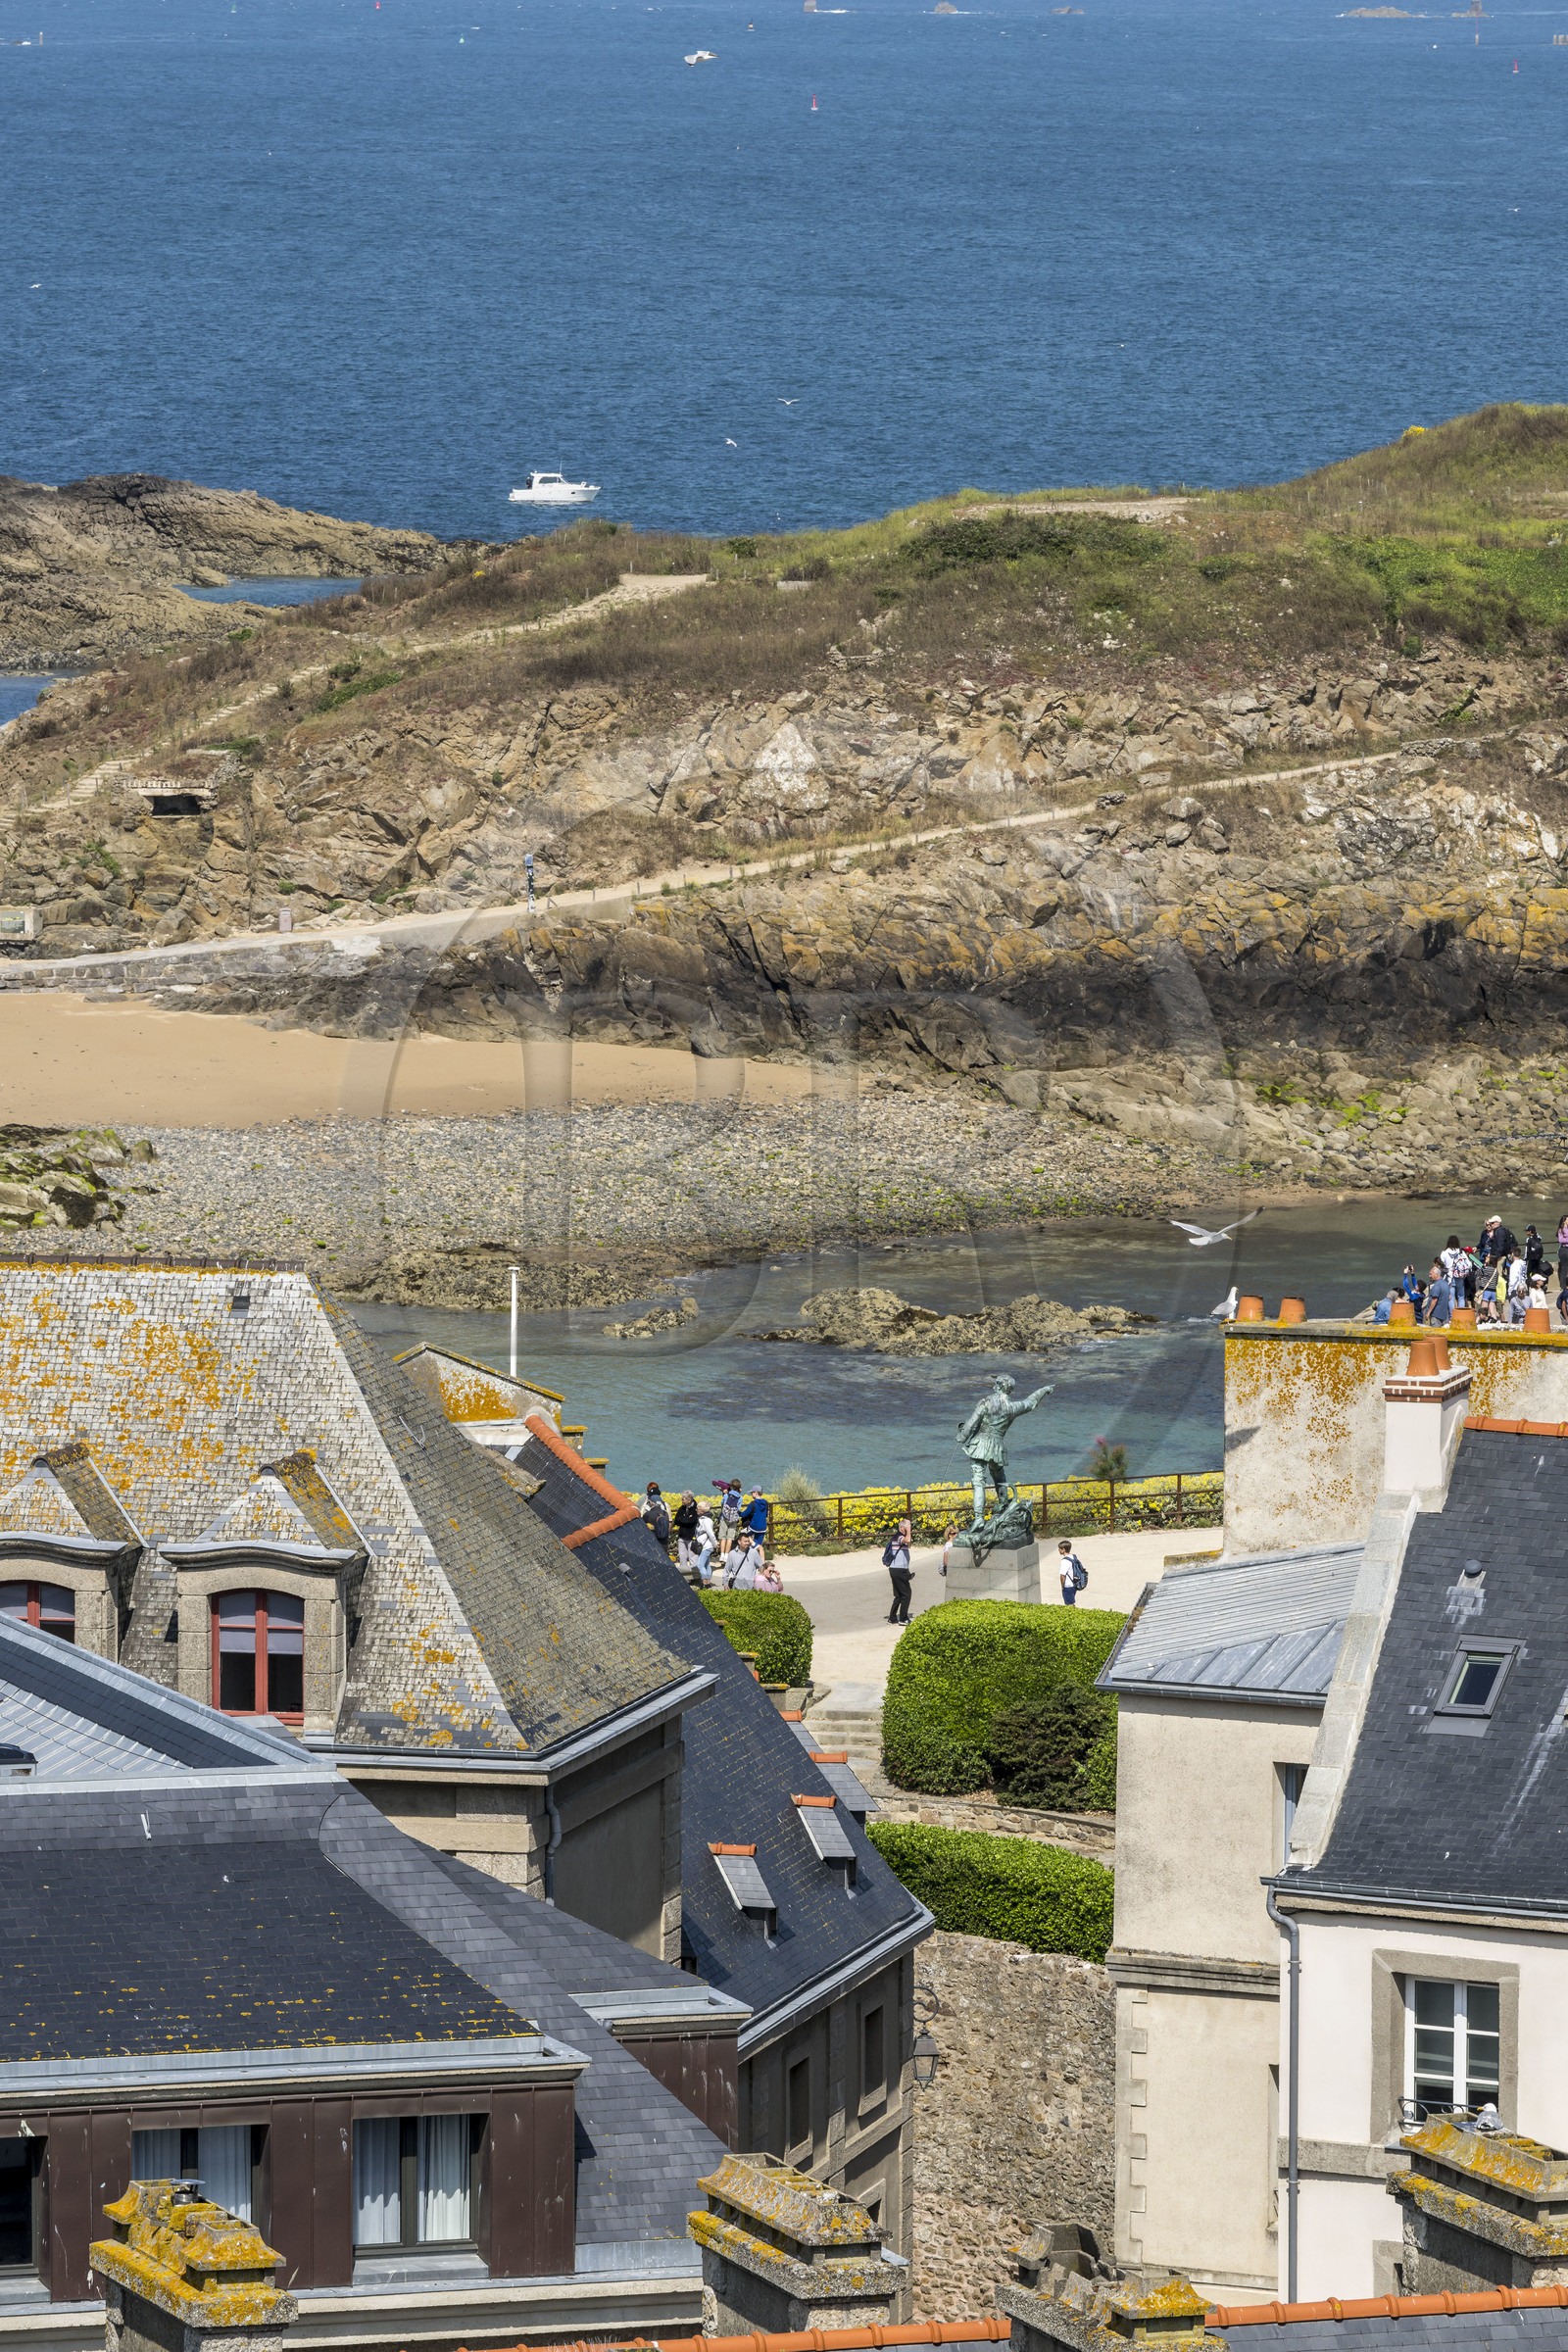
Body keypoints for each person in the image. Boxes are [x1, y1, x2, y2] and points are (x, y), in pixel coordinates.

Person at [883, 1525, 912, 1624]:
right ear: (902, 1527)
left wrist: (907, 1569)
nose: (910, 1529)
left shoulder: (899, 1537)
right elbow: (908, 1540)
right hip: (898, 1570)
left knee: (899, 1595)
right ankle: (903, 1618)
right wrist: (908, 1530)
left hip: (897, 1569)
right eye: (908, 1527)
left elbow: (905, 1552)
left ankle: (892, 1618)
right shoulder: (899, 1536)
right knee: (906, 1594)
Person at [690, 1506, 718, 1585]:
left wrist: (715, 1544)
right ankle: (708, 1582)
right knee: (706, 1564)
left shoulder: (706, 1520)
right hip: (704, 1545)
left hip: (706, 1546)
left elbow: (710, 1533)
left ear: (702, 1511)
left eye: (698, 1509)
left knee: (700, 1564)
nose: (696, 1510)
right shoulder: (702, 1519)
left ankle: (704, 1582)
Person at [672, 1491, 700, 1570]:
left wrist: (683, 1519)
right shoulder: (682, 1508)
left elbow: (692, 1521)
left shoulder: (696, 1508)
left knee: (692, 1557)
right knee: (682, 1557)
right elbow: (677, 1520)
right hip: (682, 1536)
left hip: (691, 1536)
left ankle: (694, 1575)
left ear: (689, 1500)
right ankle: (685, 1577)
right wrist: (686, 1519)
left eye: (683, 1499)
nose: (682, 1501)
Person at [716, 1480, 743, 1559]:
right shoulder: (740, 1498)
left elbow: (722, 1504)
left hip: (724, 1518)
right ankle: (727, 1556)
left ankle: (722, 1555)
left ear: (731, 1487)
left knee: (723, 1537)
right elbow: (738, 1508)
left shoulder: (726, 1496)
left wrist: (725, 1493)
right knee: (730, 1538)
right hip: (733, 1519)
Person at [640, 1482, 671, 1549]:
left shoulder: (645, 1505)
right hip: (664, 1537)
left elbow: (642, 1519)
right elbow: (670, 1521)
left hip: (651, 1537)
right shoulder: (666, 1505)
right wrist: (666, 1533)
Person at [1057, 1538, 1089, 1604]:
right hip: (1074, 1583)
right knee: (1071, 1602)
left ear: (1063, 1549)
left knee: (1069, 1604)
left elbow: (1062, 1575)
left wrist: (1062, 1586)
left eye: (1059, 1549)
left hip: (1068, 1585)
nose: (1059, 1550)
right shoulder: (1073, 1557)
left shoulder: (1064, 1561)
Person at [1426, 1260, 1452, 1328]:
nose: (1429, 1276)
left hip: (1436, 1315)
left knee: (1435, 1335)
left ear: (1436, 1275)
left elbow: (1434, 1300)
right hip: (1444, 1315)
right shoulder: (1446, 1284)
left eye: (1431, 1274)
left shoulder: (1437, 1286)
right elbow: (1449, 1298)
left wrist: (1428, 1313)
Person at [1557, 1212, 1568, 1318]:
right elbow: (1561, 1240)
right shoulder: (1561, 1230)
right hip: (1564, 1250)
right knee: (1564, 1267)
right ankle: (1563, 1285)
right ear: (1564, 1221)